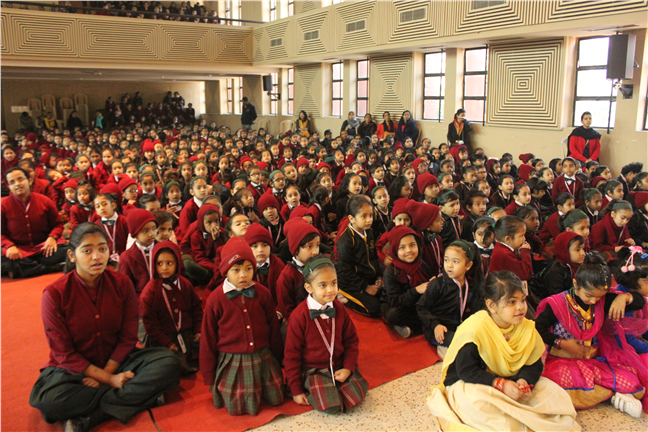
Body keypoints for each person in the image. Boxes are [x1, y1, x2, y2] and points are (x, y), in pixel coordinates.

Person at [29, 223, 181, 431]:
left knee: (169, 363)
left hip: (118, 361)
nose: (97, 257)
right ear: (72, 256)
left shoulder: (122, 284)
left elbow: (128, 337)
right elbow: (63, 353)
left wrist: (109, 373)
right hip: (75, 372)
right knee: (50, 400)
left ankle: (91, 417)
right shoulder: (54, 294)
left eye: (102, 249)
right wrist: (109, 380)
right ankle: (141, 397)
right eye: (87, 251)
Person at [426, 271, 579, 432]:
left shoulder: (526, 327)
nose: (520, 307)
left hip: (513, 382)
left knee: (556, 394)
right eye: (511, 302)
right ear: (492, 306)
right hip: (479, 384)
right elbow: (466, 371)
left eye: (522, 300)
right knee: (477, 403)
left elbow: (534, 365)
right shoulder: (475, 329)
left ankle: (519, 419)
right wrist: (500, 384)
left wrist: (523, 381)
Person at [536, 253, 646, 417]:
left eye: (599, 296)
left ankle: (607, 393)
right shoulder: (557, 304)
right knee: (555, 383)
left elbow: (640, 301)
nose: (594, 301)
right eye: (589, 295)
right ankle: (611, 394)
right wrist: (561, 343)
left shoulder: (601, 301)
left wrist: (624, 297)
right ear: (576, 284)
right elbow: (538, 329)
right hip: (561, 359)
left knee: (632, 381)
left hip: (593, 359)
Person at [200, 237, 284, 416]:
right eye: (236, 270)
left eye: (248, 269)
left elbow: (273, 328)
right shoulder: (215, 299)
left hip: (262, 356)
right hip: (233, 359)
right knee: (237, 403)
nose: (243, 275)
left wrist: (278, 358)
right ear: (226, 272)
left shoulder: (263, 293)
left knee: (276, 396)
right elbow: (208, 338)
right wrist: (209, 375)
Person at [284, 255, 368, 413]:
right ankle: (314, 388)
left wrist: (348, 368)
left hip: (339, 364)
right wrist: (296, 390)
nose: (330, 290)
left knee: (356, 397)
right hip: (314, 370)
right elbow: (291, 355)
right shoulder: (299, 316)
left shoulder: (340, 308)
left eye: (334, 283)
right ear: (309, 288)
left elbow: (351, 341)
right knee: (332, 407)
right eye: (323, 285)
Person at [140, 241, 203, 374]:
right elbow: (150, 325)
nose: (164, 268)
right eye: (159, 263)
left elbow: (197, 310)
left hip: (187, 335)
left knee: (212, 348)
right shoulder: (150, 292)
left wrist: (198, 330)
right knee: (170, 364)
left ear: (178, 263)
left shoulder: (185, 285)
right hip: (162, 339)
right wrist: (167, 343)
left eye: (169, 263)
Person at [417, 241, 483, 358]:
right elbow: (421, 307)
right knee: (463, 343)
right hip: (439, 329)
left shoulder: (471, 286)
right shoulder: (437, 284)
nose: (449, 265)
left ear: (468, 265)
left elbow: (476, 312)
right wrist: (435, 325)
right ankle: (445, 348)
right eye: (446, 260)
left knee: (479, 339)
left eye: (455, 261)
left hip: (460, 326)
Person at [1, 167, 68, 279]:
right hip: (19, 251)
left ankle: (26, 270)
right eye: (12, 182)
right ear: (8, 186)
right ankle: (52, 268)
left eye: (20, 179)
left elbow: (58, 225)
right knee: (7, 261)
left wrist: (52, 237)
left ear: (29, 180)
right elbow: (1, 234)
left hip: (44, 248)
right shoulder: (3, 206)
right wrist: (10, 246)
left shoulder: (44, 201)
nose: (17, 184)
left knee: (70, 250)